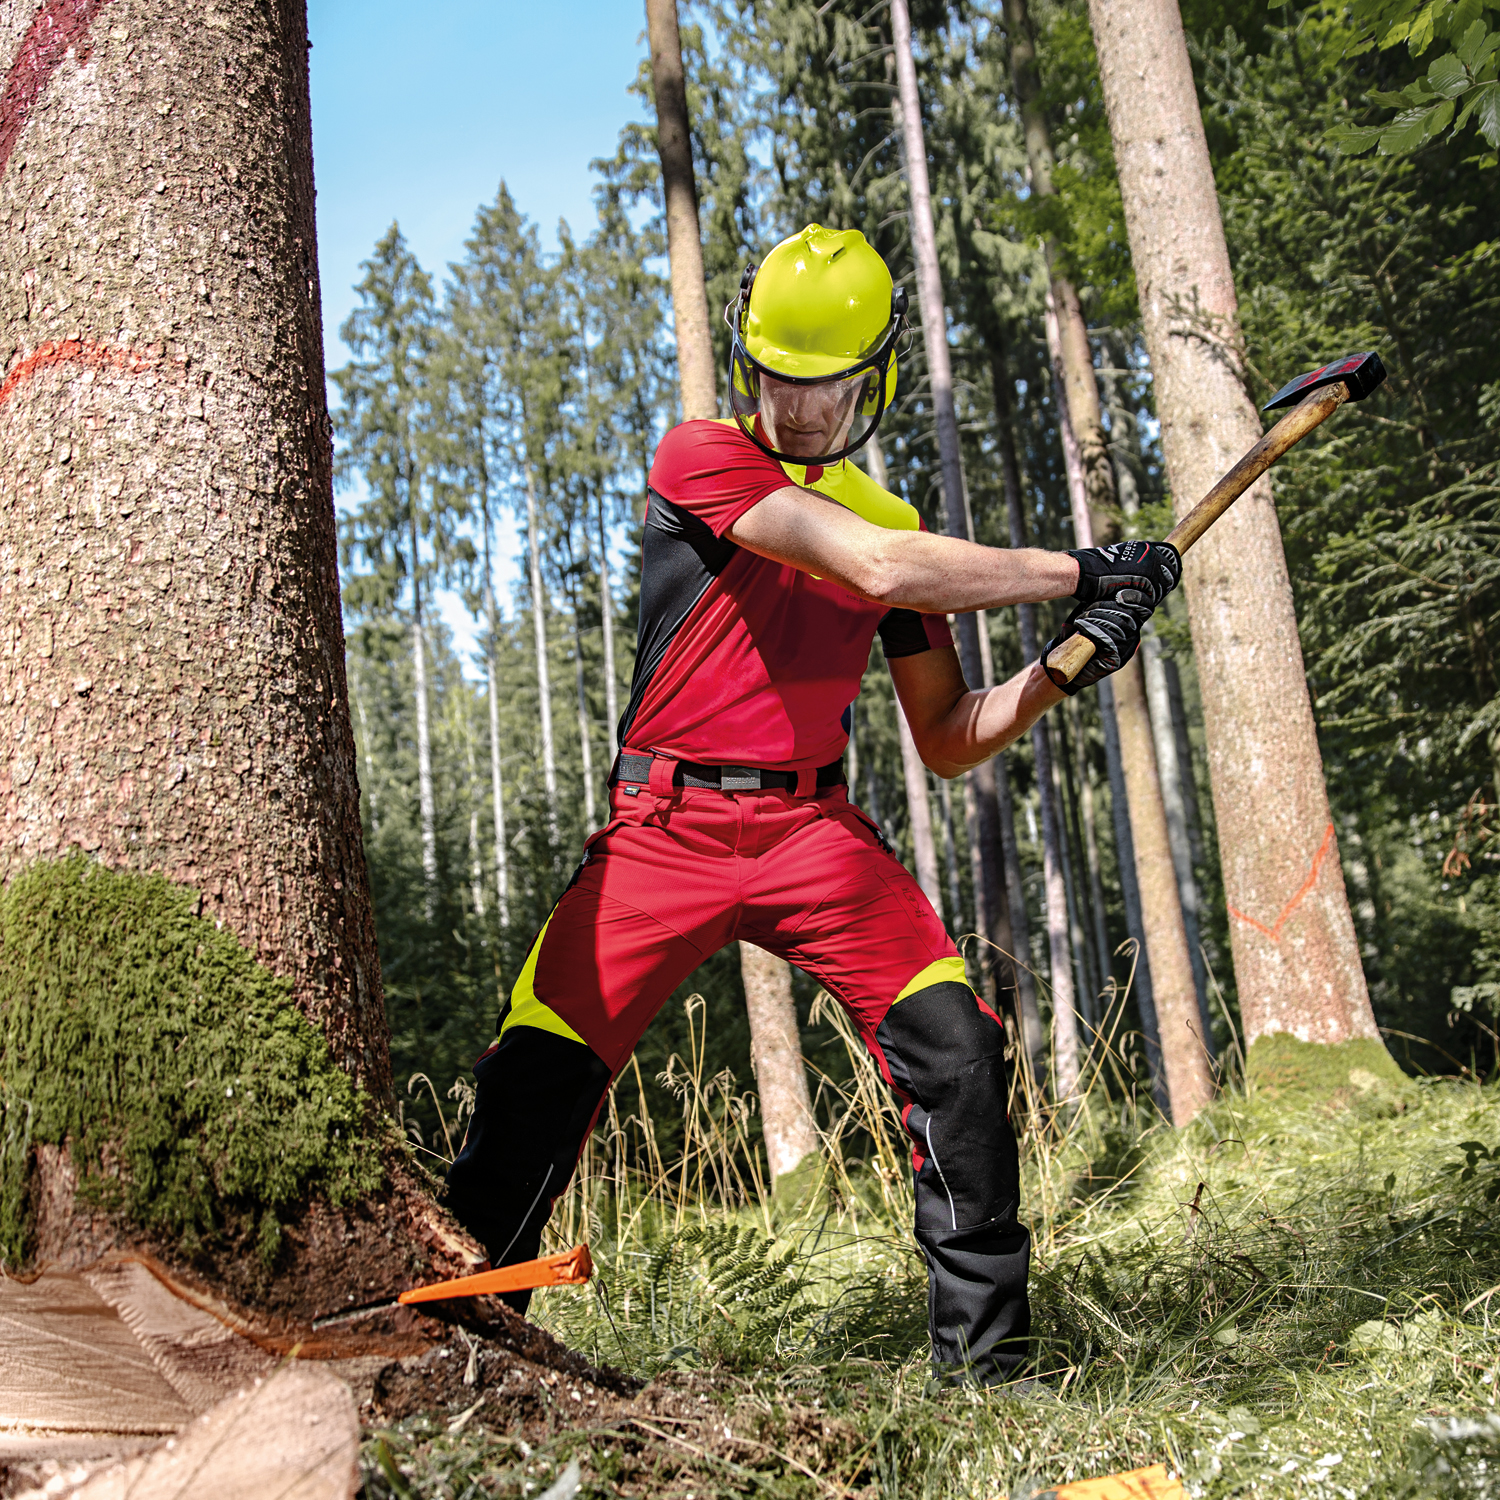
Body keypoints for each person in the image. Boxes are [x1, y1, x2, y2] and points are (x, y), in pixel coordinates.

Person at [445, 223, 1180, 1385]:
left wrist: (1059, 668)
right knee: (536, 1076)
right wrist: (1078, 571)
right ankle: (454, 1338)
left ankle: (989, 1377)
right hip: (664, 832)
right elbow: (873, 567)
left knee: (957, 1053)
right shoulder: (703, 458)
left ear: (872, 378)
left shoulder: (893, 521)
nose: (796, 414)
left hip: (811, 835)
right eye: (778, 383)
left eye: (823, 390)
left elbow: (945, 740)